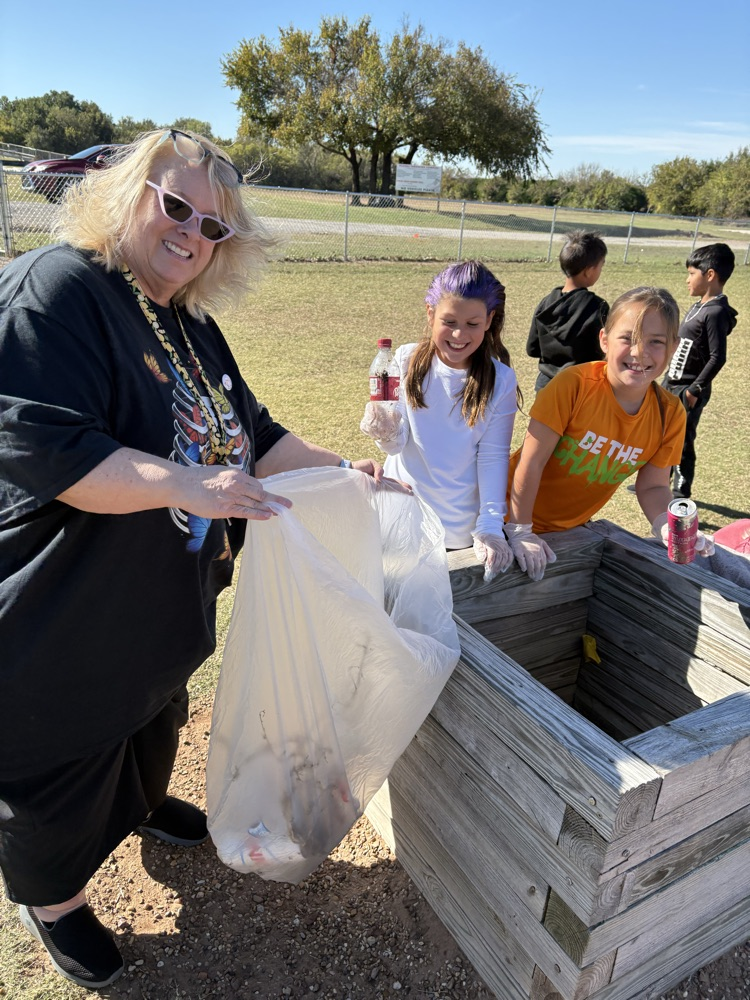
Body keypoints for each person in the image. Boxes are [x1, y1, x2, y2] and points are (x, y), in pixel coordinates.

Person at [0, 129, 386, 990]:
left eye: (213, 226)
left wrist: (345, 471)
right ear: (125, 193)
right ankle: (51, 899)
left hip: (158, 599)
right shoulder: (58, 289)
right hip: (67, 607)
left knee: (151, 719)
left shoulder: (185, 318)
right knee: (61, 756)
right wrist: (192, 485)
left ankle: (136, 808)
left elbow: (253, 433)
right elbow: (53, 453)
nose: (191, 234)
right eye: (175, 206)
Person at [506, 286, 714, 582]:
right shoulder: (573, 386)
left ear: (673, 346)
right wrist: (519, 529)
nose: (639, 352)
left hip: (570, 533)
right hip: (505, 519)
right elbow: (531, 462)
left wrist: (665, 525)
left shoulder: (670, 413)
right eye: (628, 338)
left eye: (655, 342)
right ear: (604, 339)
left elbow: (653, 486)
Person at [360, 260, 519, 581]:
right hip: (399, 519)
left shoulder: (501, 380)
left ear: (489, 320)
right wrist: (385, 432)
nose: (460, 335)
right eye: (449, 321)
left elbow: (492, 456)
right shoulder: (402, 360)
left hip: (457, 533)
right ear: (430, 313)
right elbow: (395, 445)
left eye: (473, 323)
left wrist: (489, 525)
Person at [662, 243, 738, 499]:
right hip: (671, 383)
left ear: (710, 275)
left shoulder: (715, 312)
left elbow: (718, 357)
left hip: (688, 388)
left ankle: (680, 494)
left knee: (682, 441)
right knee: (662, 435)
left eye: (692, 273)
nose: (687, 280)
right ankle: (660, 483)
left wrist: (694, 390)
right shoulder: (697, 306)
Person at [526, 229, 609, 391]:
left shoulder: (546, 303)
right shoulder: (598, 307)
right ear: (589, 271)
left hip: (546, 388)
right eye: (601, 265)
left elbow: (532, 349)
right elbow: (606, 350)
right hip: (581, 388)